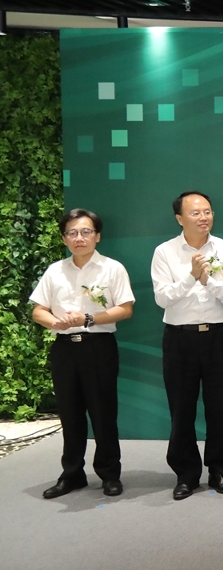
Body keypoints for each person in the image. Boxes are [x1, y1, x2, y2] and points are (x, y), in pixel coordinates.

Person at [30, 209, 135, 499]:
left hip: (98, 346)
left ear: (97, 236)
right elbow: (38, 310)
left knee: (103, 413)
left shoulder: (112, 268)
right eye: (72, 233)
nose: (79, 238)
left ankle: (109, 474)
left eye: (86, 232)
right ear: (64, 238)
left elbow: (125, 309)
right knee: (69, 413)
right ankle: (72, 474)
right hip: (64, 348)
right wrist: (55, 322)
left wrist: (88, 319)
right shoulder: (55, 271)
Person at [151, 190, 223, 500]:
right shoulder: (164, 252)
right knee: (181, 409)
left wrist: (208, 281)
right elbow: (162, 298)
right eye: (195, 213)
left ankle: (219, 470)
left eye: (207, 211)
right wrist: (191, 276)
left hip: (218, 336)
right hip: (179, 338)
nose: (203, 217)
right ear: (180, 218)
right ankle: (186, 474)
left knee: (220, 407)